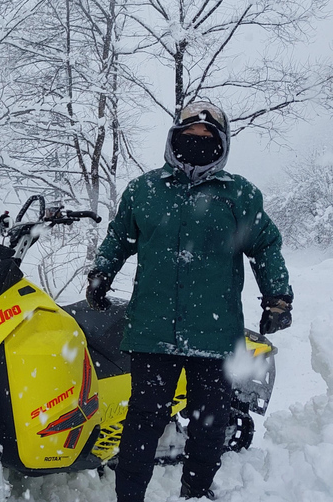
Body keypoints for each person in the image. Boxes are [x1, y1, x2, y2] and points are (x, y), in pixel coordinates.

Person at [85, 101, 293, 501]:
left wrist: (277, 298)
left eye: (206, 139)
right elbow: (118, 240)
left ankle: (195, 493)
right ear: (174, 140)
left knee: (209, 423)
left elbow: (266, 246)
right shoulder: (144, 191)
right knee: (144, 421)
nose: (197, 144)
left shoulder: (240, 195)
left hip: (215, 333)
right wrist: (100, 276)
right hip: (153, 331)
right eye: (188, 138)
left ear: (221, 144)